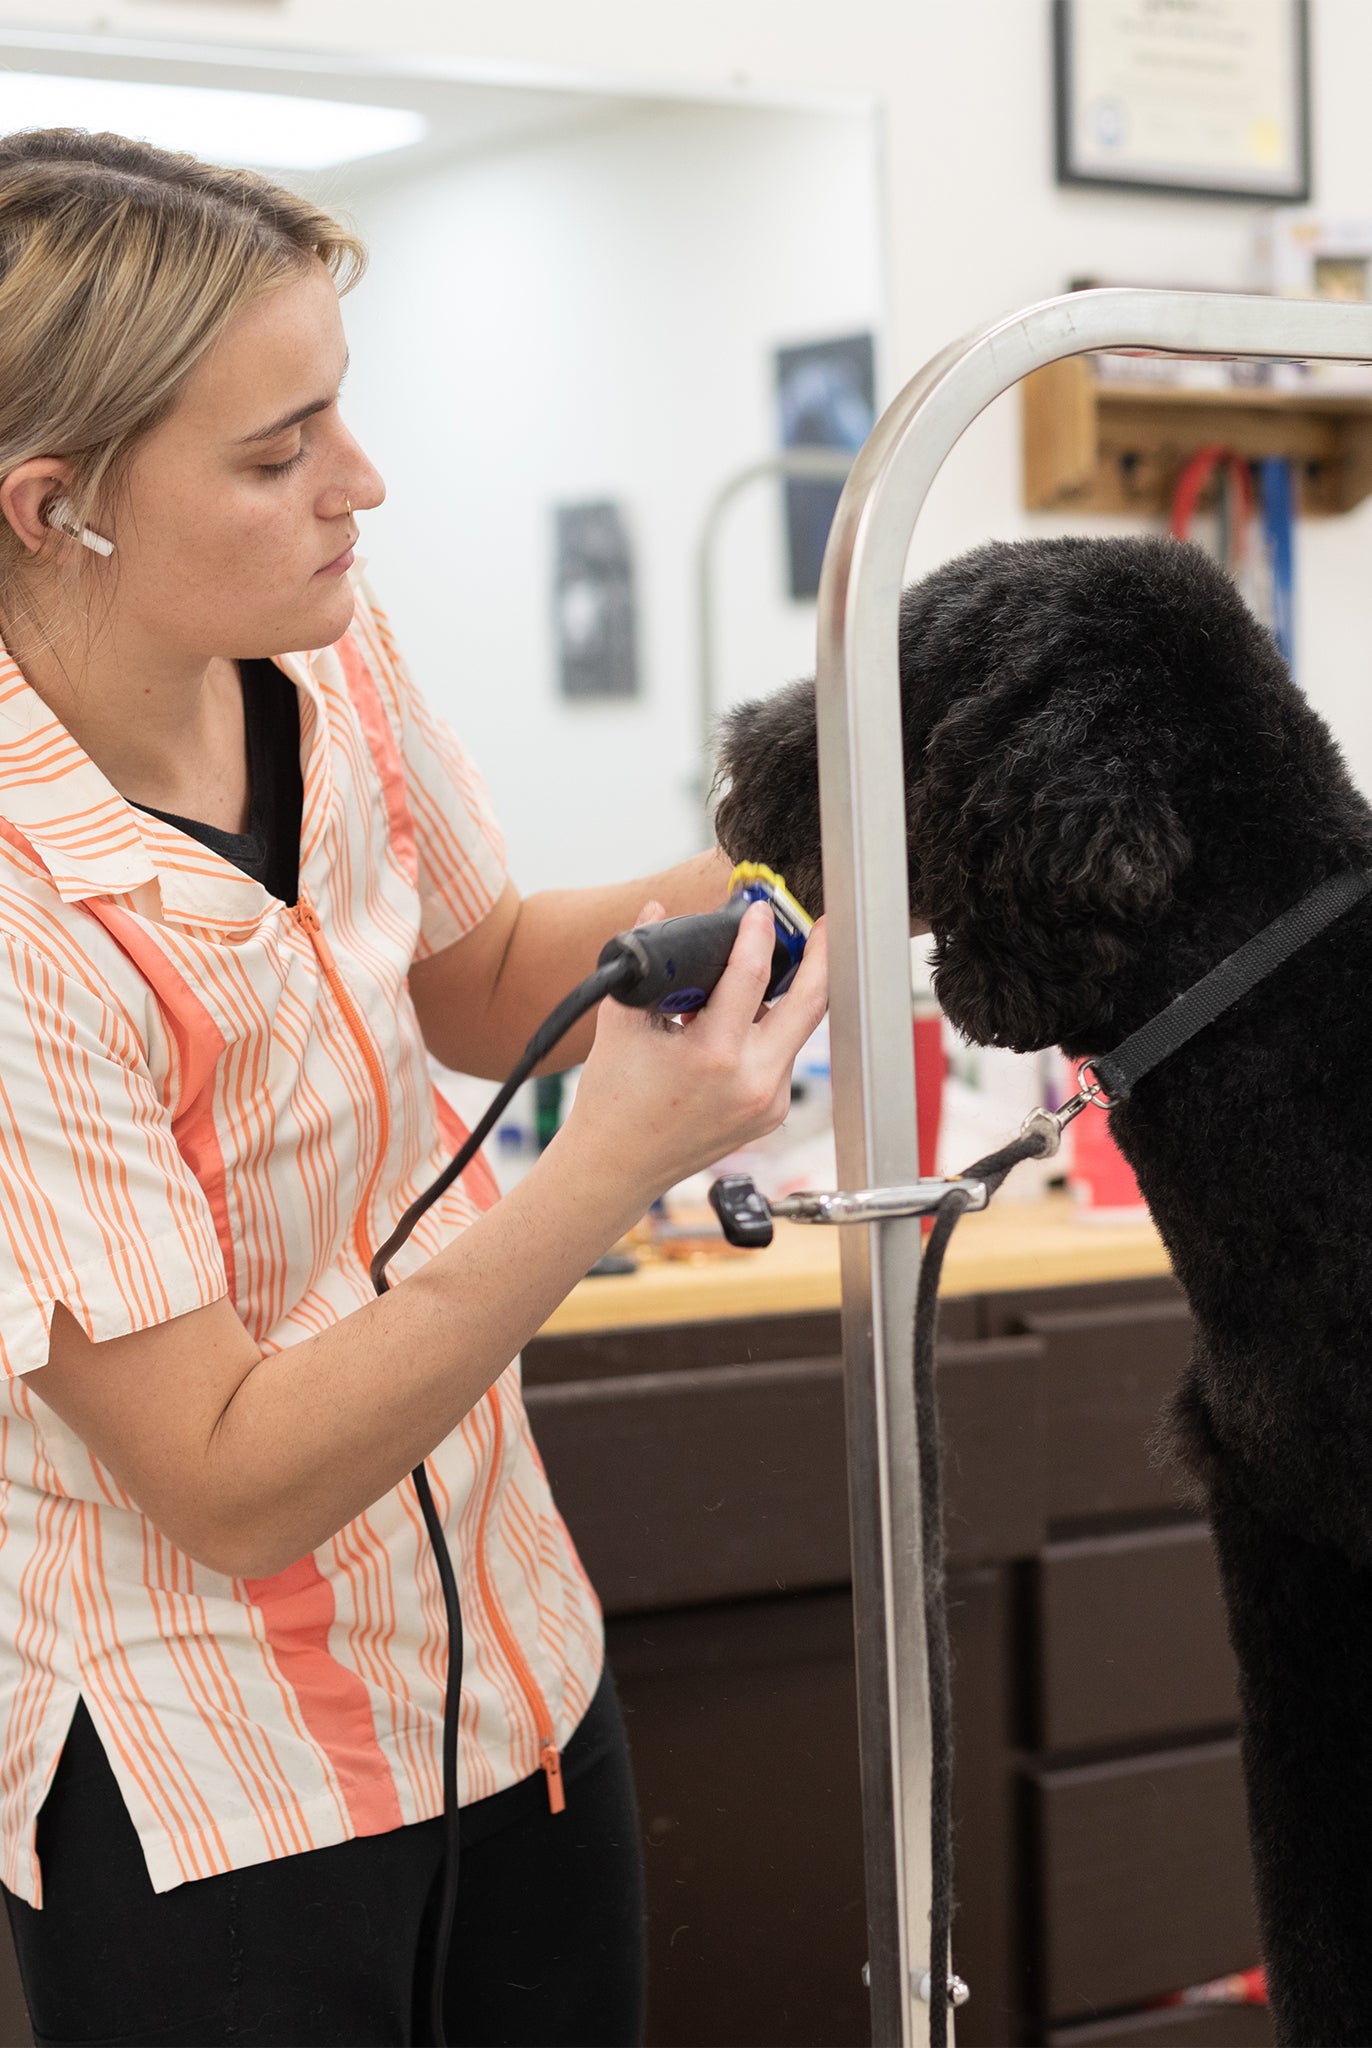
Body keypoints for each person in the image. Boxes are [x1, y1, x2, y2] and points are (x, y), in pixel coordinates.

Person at [0, 129, 827, 2048]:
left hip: (513, 1679)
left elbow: (482, 976)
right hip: (218, 1774)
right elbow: (224, 1480)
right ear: (56, 510)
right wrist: (601, 1168)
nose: (358, 489)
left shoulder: (325, 657)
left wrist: (820, 840)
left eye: (337, 419)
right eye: (278, 456)